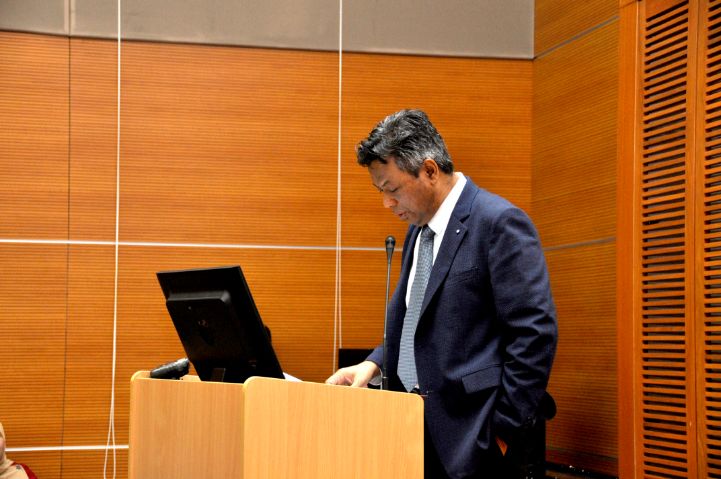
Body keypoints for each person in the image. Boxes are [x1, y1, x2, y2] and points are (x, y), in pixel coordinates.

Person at [326, 109, 558, 479]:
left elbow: (534, 334)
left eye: (392, 190)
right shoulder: (418, 231)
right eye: (380, 192)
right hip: (414, 431)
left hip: (475, 438)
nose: (387, 204)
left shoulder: (498, 223)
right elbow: (417, 321)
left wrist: (501, 432)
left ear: (430, 171)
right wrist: (375, 364)